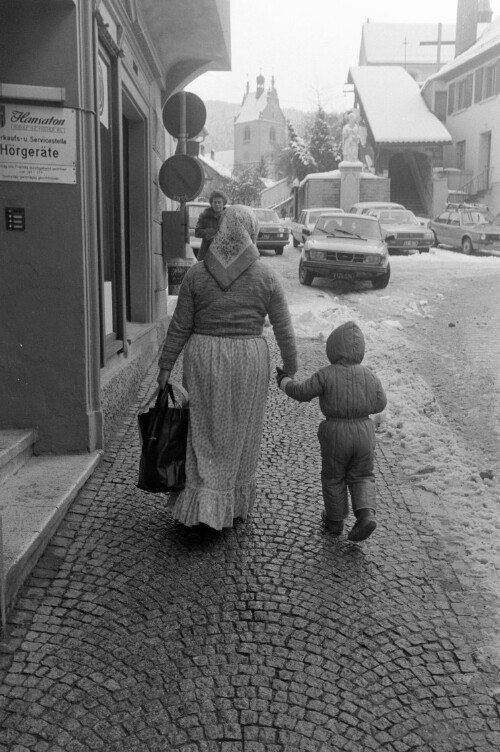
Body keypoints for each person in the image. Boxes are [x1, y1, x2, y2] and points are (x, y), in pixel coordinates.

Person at [157, 204, 298, 531]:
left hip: (204, 357)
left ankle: (201, 501)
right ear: (251, 233)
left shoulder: (197, 273)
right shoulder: (266, 276)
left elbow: (179, 325)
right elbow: (284, 329)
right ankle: (227, 504)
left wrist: (166, 366)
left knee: (201, 431)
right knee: (241, 433)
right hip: (249, 360)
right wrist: (289, 368)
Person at [276, 321, 387, 542]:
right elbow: (380, 404)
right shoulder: (370, 375)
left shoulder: (326, 374)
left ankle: (335, 521)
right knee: (363, 475)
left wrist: (284, 381)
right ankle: (366, 514)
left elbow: (302, 392)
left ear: (333, 348)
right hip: (365, 433)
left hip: (336, 433)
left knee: (334, 476)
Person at [194, 190, 227, 260]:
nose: (217, 204)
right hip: (206, 253)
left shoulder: (229, 216)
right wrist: (210, 232)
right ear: (211, 203)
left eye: (219, 202)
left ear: (223, 203)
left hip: (224, 254)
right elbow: (197, 232)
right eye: (215, 202)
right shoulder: (204, 216)